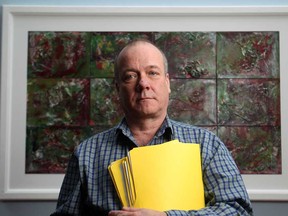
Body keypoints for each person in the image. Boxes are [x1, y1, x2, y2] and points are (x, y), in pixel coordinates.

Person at [51, 39, 253, 216]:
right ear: (117, 89)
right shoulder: (86, 153)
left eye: (153, 73)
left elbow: (238, 210)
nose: (143, 84)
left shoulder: (207, 145)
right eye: (130, 76)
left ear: (167, 82)